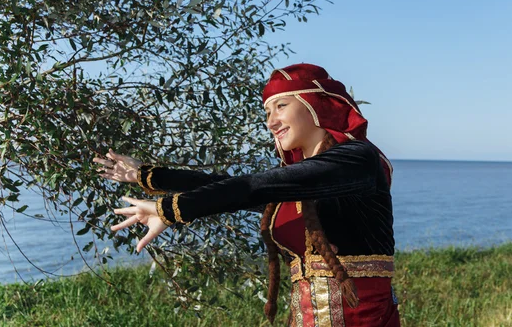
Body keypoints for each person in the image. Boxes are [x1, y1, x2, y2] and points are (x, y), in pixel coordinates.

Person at [93, 63, 401, 327]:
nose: (271, 121)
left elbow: (252, 186)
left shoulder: (359, 159)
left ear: (314, 105)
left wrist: (169, 210)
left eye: (281, 106)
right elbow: (231, 186)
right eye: (267, 111)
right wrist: (147, 176)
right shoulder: (300, 187)